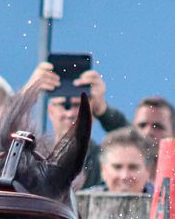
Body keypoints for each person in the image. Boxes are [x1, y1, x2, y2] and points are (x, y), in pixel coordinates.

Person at [24, 60, 127, 190]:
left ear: (91, 112)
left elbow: (137, 147)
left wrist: (103, 110)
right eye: (64, 106)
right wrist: (27, 94)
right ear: (50, 111)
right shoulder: (36, 155)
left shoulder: (101, 157)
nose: (71, 113)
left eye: (78, 106)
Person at [93, 126, 153, 195]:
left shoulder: (164, 204)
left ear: (148, 170)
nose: (124, 176)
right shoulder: (84, 203)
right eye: (117, 167)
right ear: (103, 170)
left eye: (133, 167)